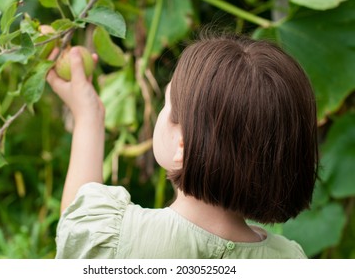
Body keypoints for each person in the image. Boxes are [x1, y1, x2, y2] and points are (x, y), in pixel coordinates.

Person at [46, 33, 318, 259]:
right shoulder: (291, 259)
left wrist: (88, 116)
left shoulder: (121, 238)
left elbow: (76, 222)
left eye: (167, 104)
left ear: (182, 146)